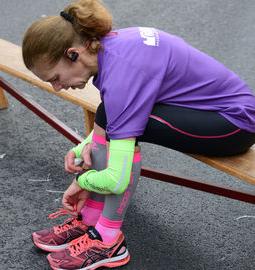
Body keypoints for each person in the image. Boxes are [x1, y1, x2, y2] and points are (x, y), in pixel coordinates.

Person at [22, 0, 255, 269]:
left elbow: (117, 180)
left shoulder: (122, 71)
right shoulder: (110, 46)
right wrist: (84, 145)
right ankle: (90, 220)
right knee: (110, 113)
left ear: (73, 54)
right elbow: (117, 109)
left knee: (114, 119)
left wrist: (83, 181)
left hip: (232, 125)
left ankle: (108, 240)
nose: (58, 88)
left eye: (55, 77)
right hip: (208, 112)